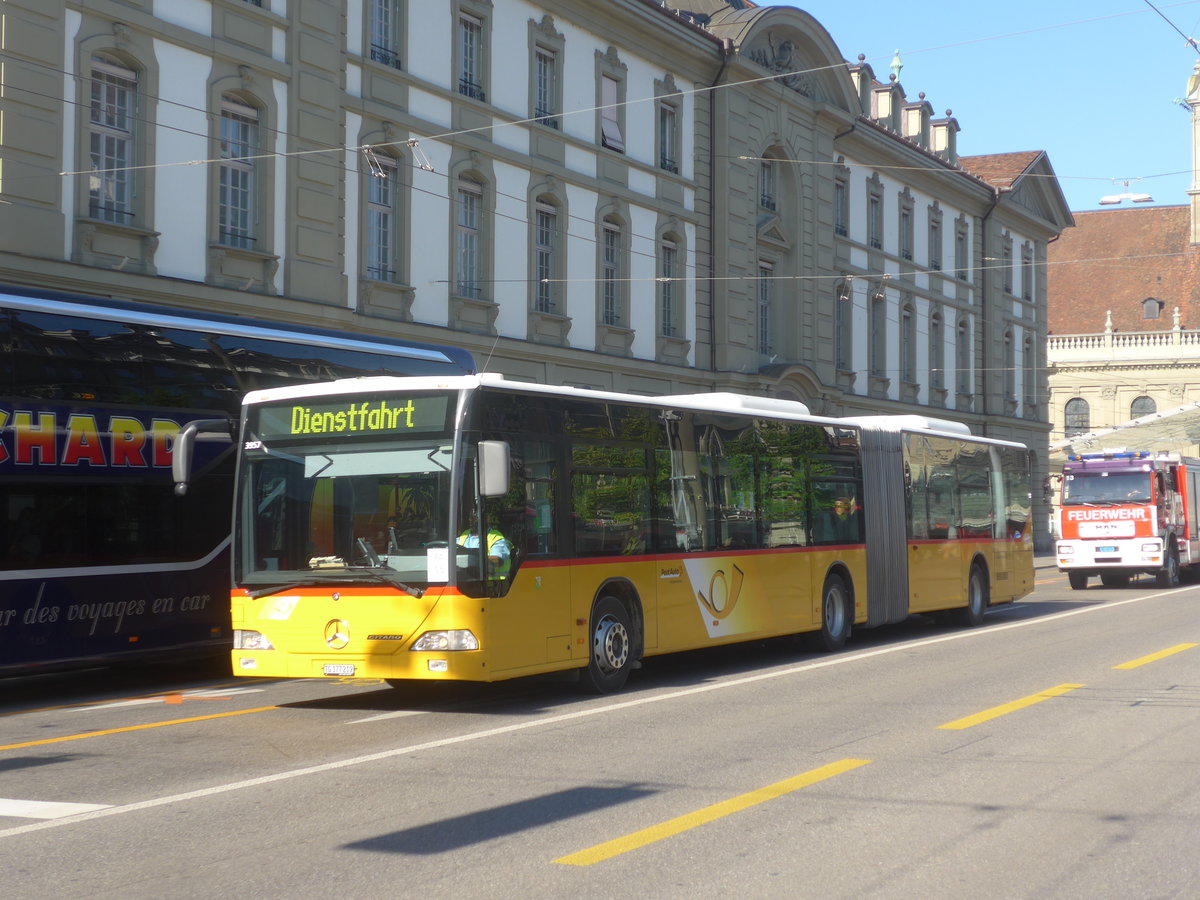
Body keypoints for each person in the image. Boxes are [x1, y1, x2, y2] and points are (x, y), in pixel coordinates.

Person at [457, 512, 511, 580]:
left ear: (485, 519)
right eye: (470, 517)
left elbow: (496, 560)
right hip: (464, 581)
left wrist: (470, 562)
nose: (469, 519)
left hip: (490, 585)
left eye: (473, 517)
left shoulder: (496, 537)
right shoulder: (465, 534)